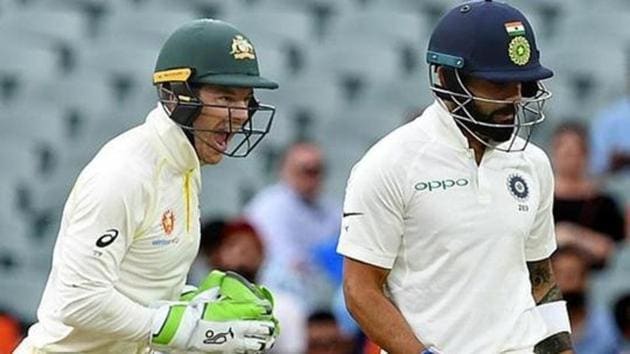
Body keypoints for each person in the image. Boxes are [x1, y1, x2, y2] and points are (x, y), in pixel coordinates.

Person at [15, 19, 280, 353]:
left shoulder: (182, 167)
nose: (242, 114)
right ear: (178, 95)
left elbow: (136, 289)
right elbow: (78, 300)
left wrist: (195, 304)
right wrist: (189, 330)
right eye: (226, 98)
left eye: (246, 100)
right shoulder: (124, 173)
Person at [337, 1, 574, 353]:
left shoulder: (533, 163)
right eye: (498, 84)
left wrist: (563, 349)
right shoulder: (389, 164)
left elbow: (539, 276)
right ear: (448, 78)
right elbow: (360, 291)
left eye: (522, 85)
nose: (514, 99)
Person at [245, 141, 340, 311]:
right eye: (305, 170)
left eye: (317, 170)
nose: (312, 177)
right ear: (284, 170)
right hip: (277, 293)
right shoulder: (268, 205)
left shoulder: (331, 208)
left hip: (320, 292)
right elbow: (286, 262)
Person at [198, 217, 308, 354]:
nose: (239, 253)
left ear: (260, 248)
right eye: (230, 246)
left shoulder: (284, 298)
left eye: (246, 246)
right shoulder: (205, 299)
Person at [551, 122, 626, 268]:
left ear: (586, 155)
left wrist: (572, 235)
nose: (570, 159)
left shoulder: (604, 202)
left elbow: (612, 248)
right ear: (554, 154)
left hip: (595, 278)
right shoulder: (540, 199)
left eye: (575, 152)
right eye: (565, 152)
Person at [551, 245, 620, 353]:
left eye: (571, 276)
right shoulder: (536, 326)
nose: (565, 284)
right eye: (559, 275)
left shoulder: (607, 325)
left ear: (585, 280)